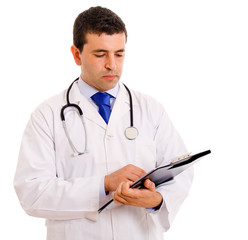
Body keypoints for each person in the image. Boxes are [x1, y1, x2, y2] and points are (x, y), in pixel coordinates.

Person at [13, 6, 193, 240]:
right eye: (100, 54)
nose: (112, 65)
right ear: (77, 55)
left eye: (119, 54)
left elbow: (180, 174)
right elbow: (32, 193)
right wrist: (104, 184)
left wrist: (158, 199)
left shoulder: (150, 109)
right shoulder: (47, 115)